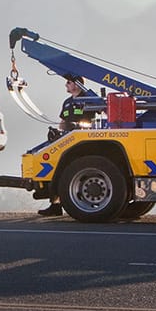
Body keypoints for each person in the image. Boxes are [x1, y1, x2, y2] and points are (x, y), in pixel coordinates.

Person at [39, 74, 94, 217]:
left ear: (77, 84)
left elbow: (95, 120)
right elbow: (63, 122)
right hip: (66, 141)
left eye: (68, 82)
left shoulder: (89, 100)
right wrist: (58, 133)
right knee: (56, 171)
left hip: (83, 142)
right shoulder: (67, 102)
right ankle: (55, 205)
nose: (66, 85)